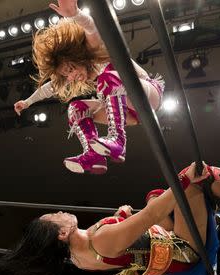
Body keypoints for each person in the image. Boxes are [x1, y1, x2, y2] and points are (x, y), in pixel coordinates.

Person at [0, 163, 220, 275]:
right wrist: (182, 181)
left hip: (165, 249)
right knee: (195, 173)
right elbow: (153, 215)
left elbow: (135, 246)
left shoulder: (77, 257)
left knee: (156, 194)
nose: (60, 212)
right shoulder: (100, 240)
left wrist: (122, 217)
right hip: (186, 249)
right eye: (55, 217)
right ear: (61, 234)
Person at [13, 0, 164, 175]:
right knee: (76, 108)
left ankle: (118, 140)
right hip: (129, 111)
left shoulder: (92, 50)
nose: (71, 77)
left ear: (78, 56)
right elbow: (50, 88)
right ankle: (93, 156)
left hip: (147, 93)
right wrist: (27, 102)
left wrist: (75, 15)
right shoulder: (74, 74)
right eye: (66, 75)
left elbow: (92, 28)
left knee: (107, 79)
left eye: (70, 69)